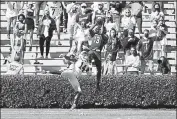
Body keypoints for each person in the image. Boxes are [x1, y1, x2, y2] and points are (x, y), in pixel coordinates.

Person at [85, 19, 108, 90]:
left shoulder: (104, 36)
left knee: (99, 69)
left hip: (97, 52)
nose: (97, 29)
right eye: (97, 29)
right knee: (89, 53)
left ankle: (97, 83)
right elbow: (90, 29)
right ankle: (88, 66)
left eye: (99, 29)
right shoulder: (94, 35)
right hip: (93, 51)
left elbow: (102, 33)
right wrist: (95, 23)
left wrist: (102, 24)